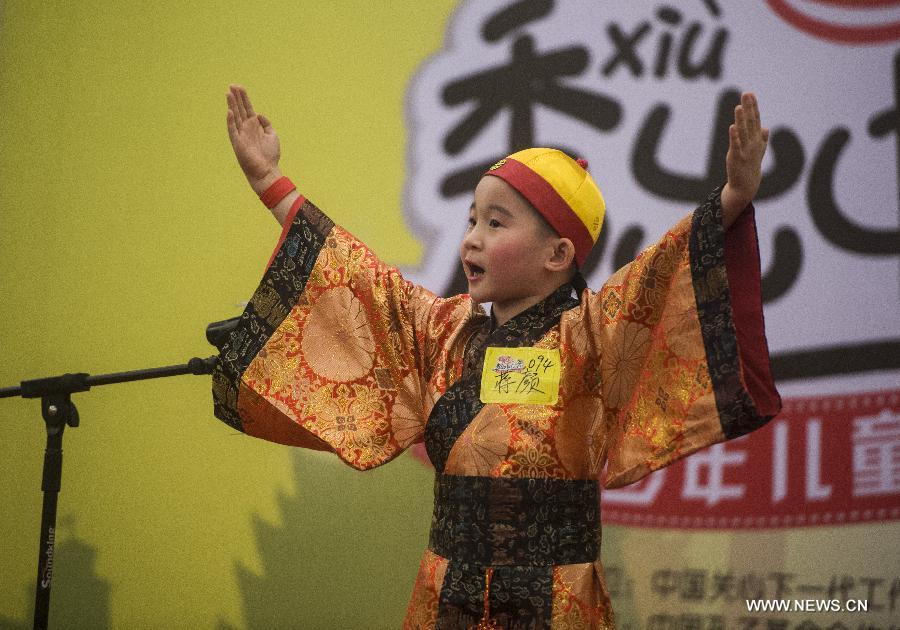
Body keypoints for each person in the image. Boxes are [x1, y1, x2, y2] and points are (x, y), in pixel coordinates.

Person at [213, 84, 781, 629]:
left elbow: (661, 273)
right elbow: (357, 274)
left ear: (558, 254)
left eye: (496, 222)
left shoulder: (591, 334)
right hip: (445, 599)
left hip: (557, 601)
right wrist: (269, 180)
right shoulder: (444, 331)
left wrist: (732, 198)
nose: (472, 239)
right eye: (471, 220)